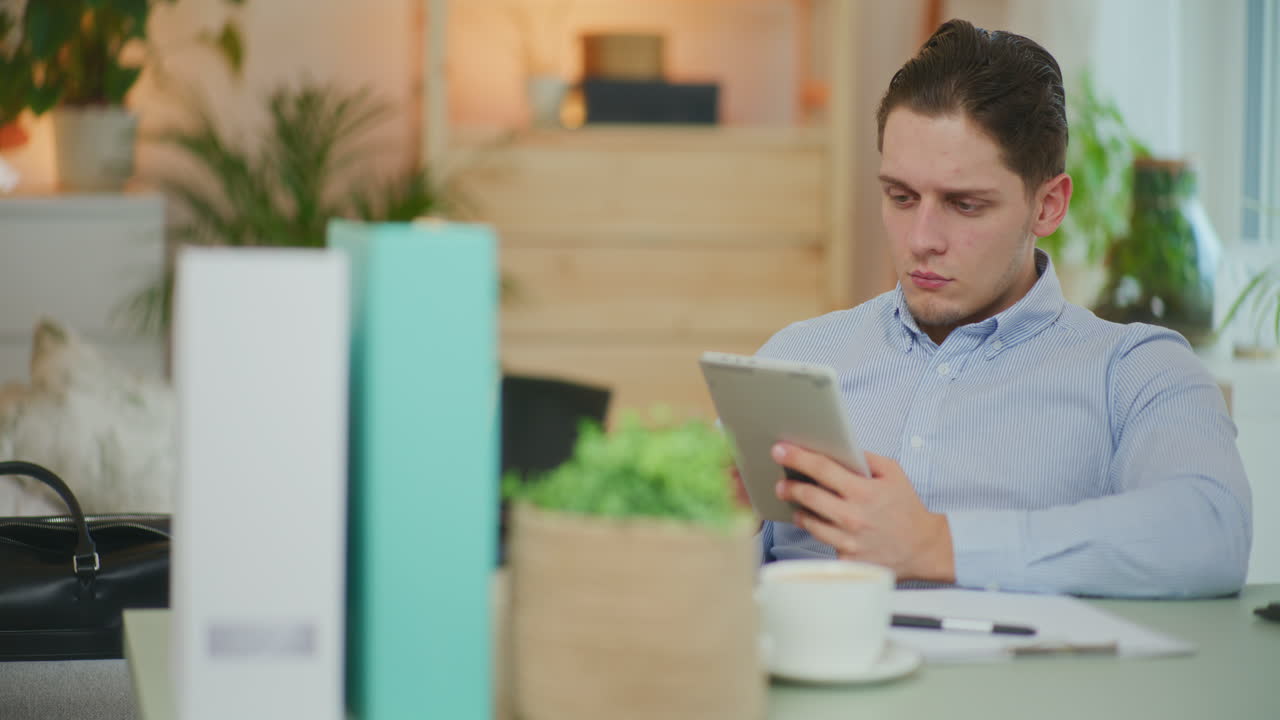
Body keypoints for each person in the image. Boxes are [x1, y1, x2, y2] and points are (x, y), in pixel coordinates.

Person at [754, 18, 1251, 598]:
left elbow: (1212, 532)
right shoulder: (798, 358)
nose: (921, 239)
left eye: (964, 205)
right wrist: (722, 522)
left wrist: (938, 545)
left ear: (1048, 206)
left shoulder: (1135, 369)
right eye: (901, 197)